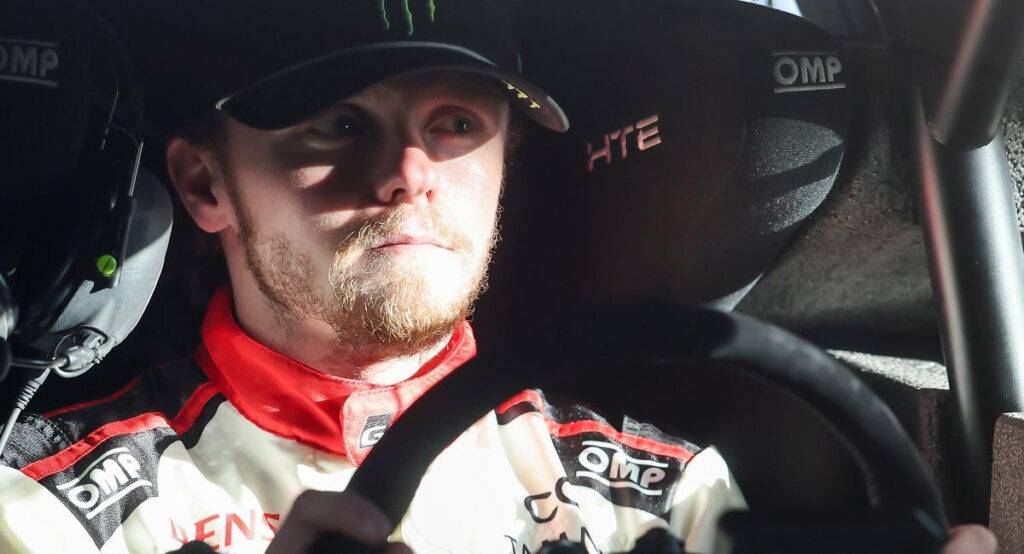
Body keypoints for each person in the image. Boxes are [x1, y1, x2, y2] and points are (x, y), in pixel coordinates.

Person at [0, 1, 998, 553]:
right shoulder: (51, 510)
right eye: (338, 124)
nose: (409, 173)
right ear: (204, 183)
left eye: (456, 124)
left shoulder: (655, 496)